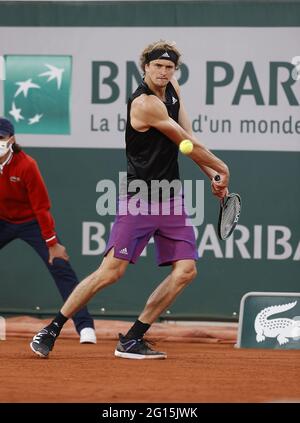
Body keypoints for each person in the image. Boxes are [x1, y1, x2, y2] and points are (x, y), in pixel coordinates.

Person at [30, 40, 229, 359]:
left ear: (175, 70)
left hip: (172, 199)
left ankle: (133, 338)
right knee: (111, 272)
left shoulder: (173, 88)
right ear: (145, 67)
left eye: (169, 67)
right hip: (140, 199)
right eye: (157, 66)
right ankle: (52, 328)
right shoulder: (145, 103)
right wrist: (222, 168)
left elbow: (191, 135)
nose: (163, 72)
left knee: (186, 271)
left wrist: (211, 176)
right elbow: (184, 142)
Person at [0, 117, 96, 344]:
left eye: (1, 138)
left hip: (31, 222)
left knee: (60, 266)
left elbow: (41, 207)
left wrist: (52, 243)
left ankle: (85, 326)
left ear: (11, 140)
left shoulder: (27, 166)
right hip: (2, 220)